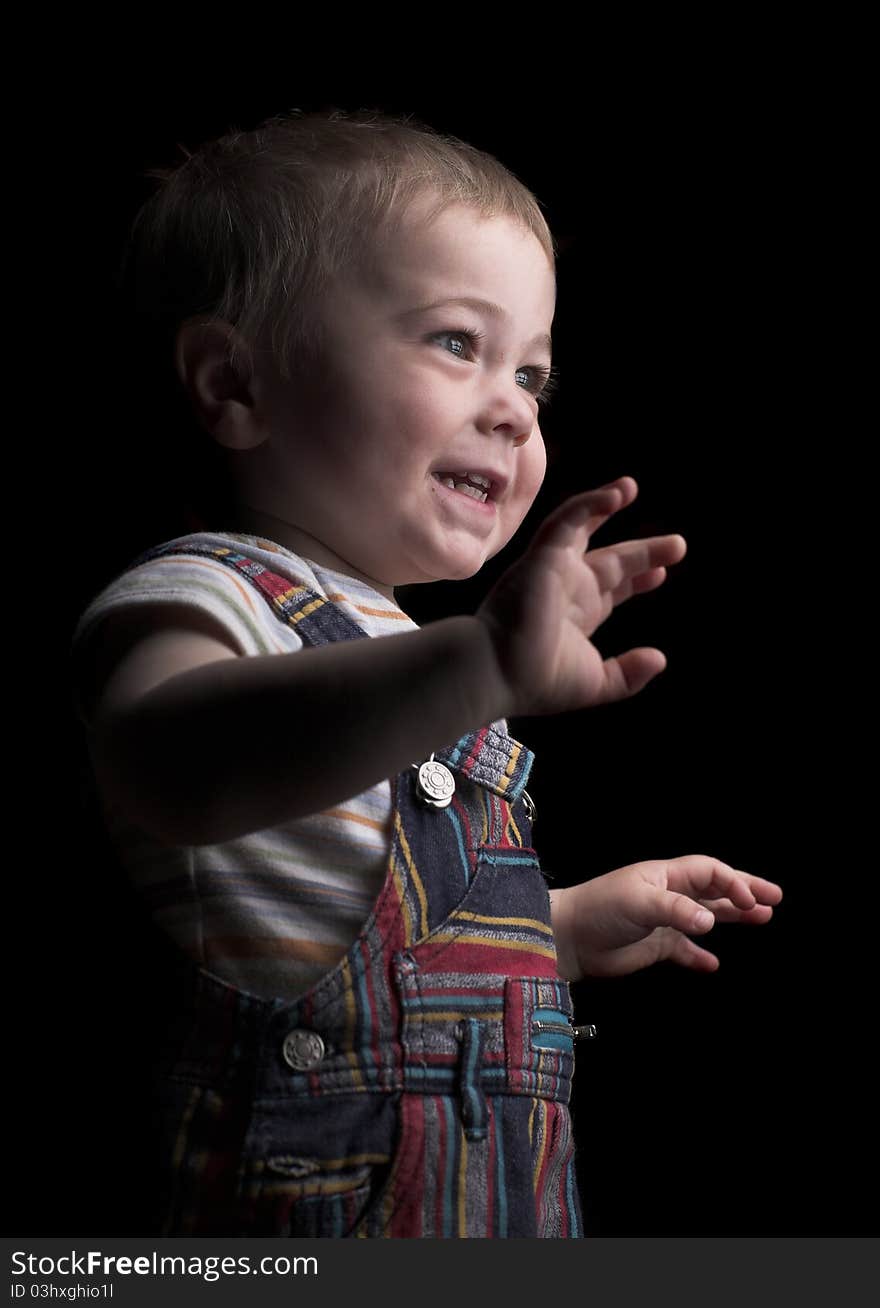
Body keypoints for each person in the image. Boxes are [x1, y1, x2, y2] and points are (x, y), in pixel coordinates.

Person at [69, 107, 782, 1238]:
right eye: (457, 343)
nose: (510, 407)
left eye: (533, 378)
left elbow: (390, 951)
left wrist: (555, 930)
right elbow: (171, 766)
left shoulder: (417, 652)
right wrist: (478, 665)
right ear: (234, 386)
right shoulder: (207, 592)